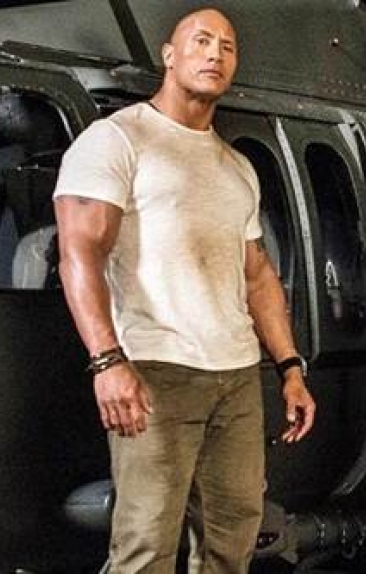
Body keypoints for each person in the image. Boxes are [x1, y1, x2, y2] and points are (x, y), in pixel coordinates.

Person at [52, 8, 315, 573]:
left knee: (232, 539)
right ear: (169, 56)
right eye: (201, 41)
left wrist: (290, 367)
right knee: (146, 544)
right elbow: (79, 254)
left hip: (236, 375)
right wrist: (107, 361)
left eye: (227, 46)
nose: (215, 53)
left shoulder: (236, 167)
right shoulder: (117, 139)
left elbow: (257, 275)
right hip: (156, 370)